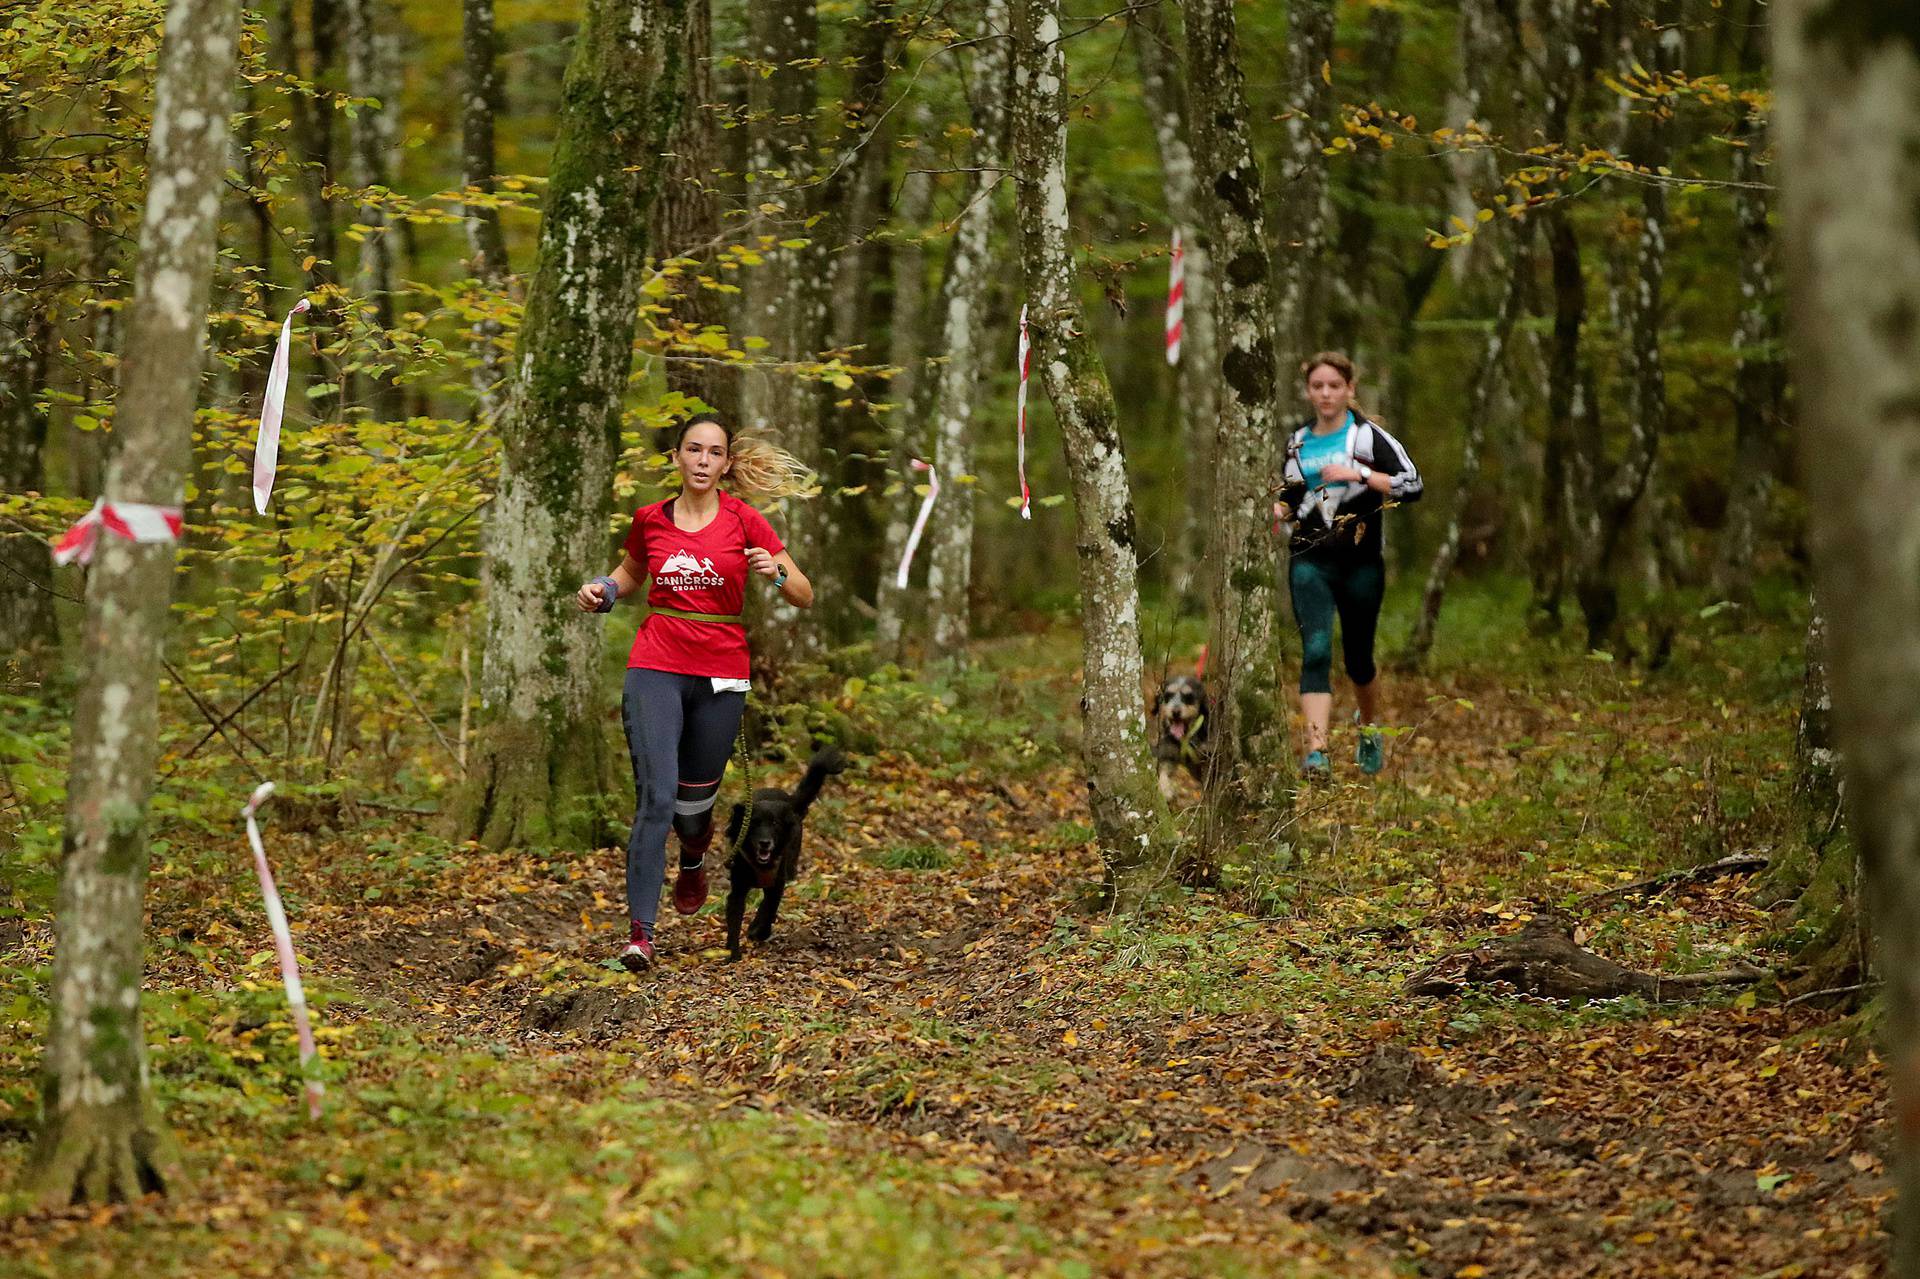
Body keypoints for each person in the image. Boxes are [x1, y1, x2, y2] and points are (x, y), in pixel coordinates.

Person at [575, 414, 814, 971]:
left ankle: (692, 856)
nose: (703, 460)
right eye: (693, 450)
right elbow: (630, 573)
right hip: (656, 661)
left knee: (693, 807)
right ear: (678, 458)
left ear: (726, 463)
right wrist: (604, 591)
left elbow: (803, 593)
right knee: (655, 797)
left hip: (721, 671)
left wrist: (772, 573)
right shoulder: (650, 519)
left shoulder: (747, 521)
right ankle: (640, 934)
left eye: (714, 452)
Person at [1271, 352, 1422, 778]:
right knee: (1316, 650)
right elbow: (1293, 495)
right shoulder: (1297, 441)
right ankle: (1317, 752)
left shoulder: (1369, 438)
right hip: (1309, 560)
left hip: (1361, 563)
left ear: (1349, 389)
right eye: (1317, 386)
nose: (1325, 394)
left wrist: (1360, 475)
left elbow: (1413, 484)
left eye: (1334, 386)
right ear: (1308, 392)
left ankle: (1368, 727)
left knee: (1358, 659)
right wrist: (1278, 510)